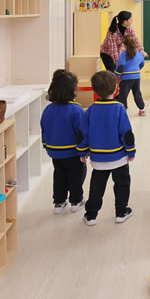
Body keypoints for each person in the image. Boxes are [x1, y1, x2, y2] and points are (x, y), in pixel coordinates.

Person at [78, 71, 135, 226]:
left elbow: (83, 133)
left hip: (98, 159)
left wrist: (82, 151)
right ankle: (121, 212)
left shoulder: (90, 110)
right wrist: (131, 151)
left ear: (95, 90)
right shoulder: (119, 108)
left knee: (96, 188)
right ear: (116, 88)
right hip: (119, 158)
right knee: (122, 185)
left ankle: (91, 215)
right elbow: (126, 133)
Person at [40, 69, 86, 214]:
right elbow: (81, 133)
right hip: (73, 152)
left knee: (59, 175)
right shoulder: (76, 110)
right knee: (76, 175)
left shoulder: (48, 109)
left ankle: (59, 203)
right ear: (72, 90)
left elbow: (44, 128)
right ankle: (76, 201)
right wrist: (84, 150)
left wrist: (46, 145)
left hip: (54, 151)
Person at [115, 35, 146, 116]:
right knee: (137, 93)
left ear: (125, 45)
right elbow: (142, 64)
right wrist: (136, 70)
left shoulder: (124, 54)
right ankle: (142, 109)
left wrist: (115, 76)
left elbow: (120, 67)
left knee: (123, 95)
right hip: (136, 77)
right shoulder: (139, 54)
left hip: (125, 78)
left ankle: (123, 110)